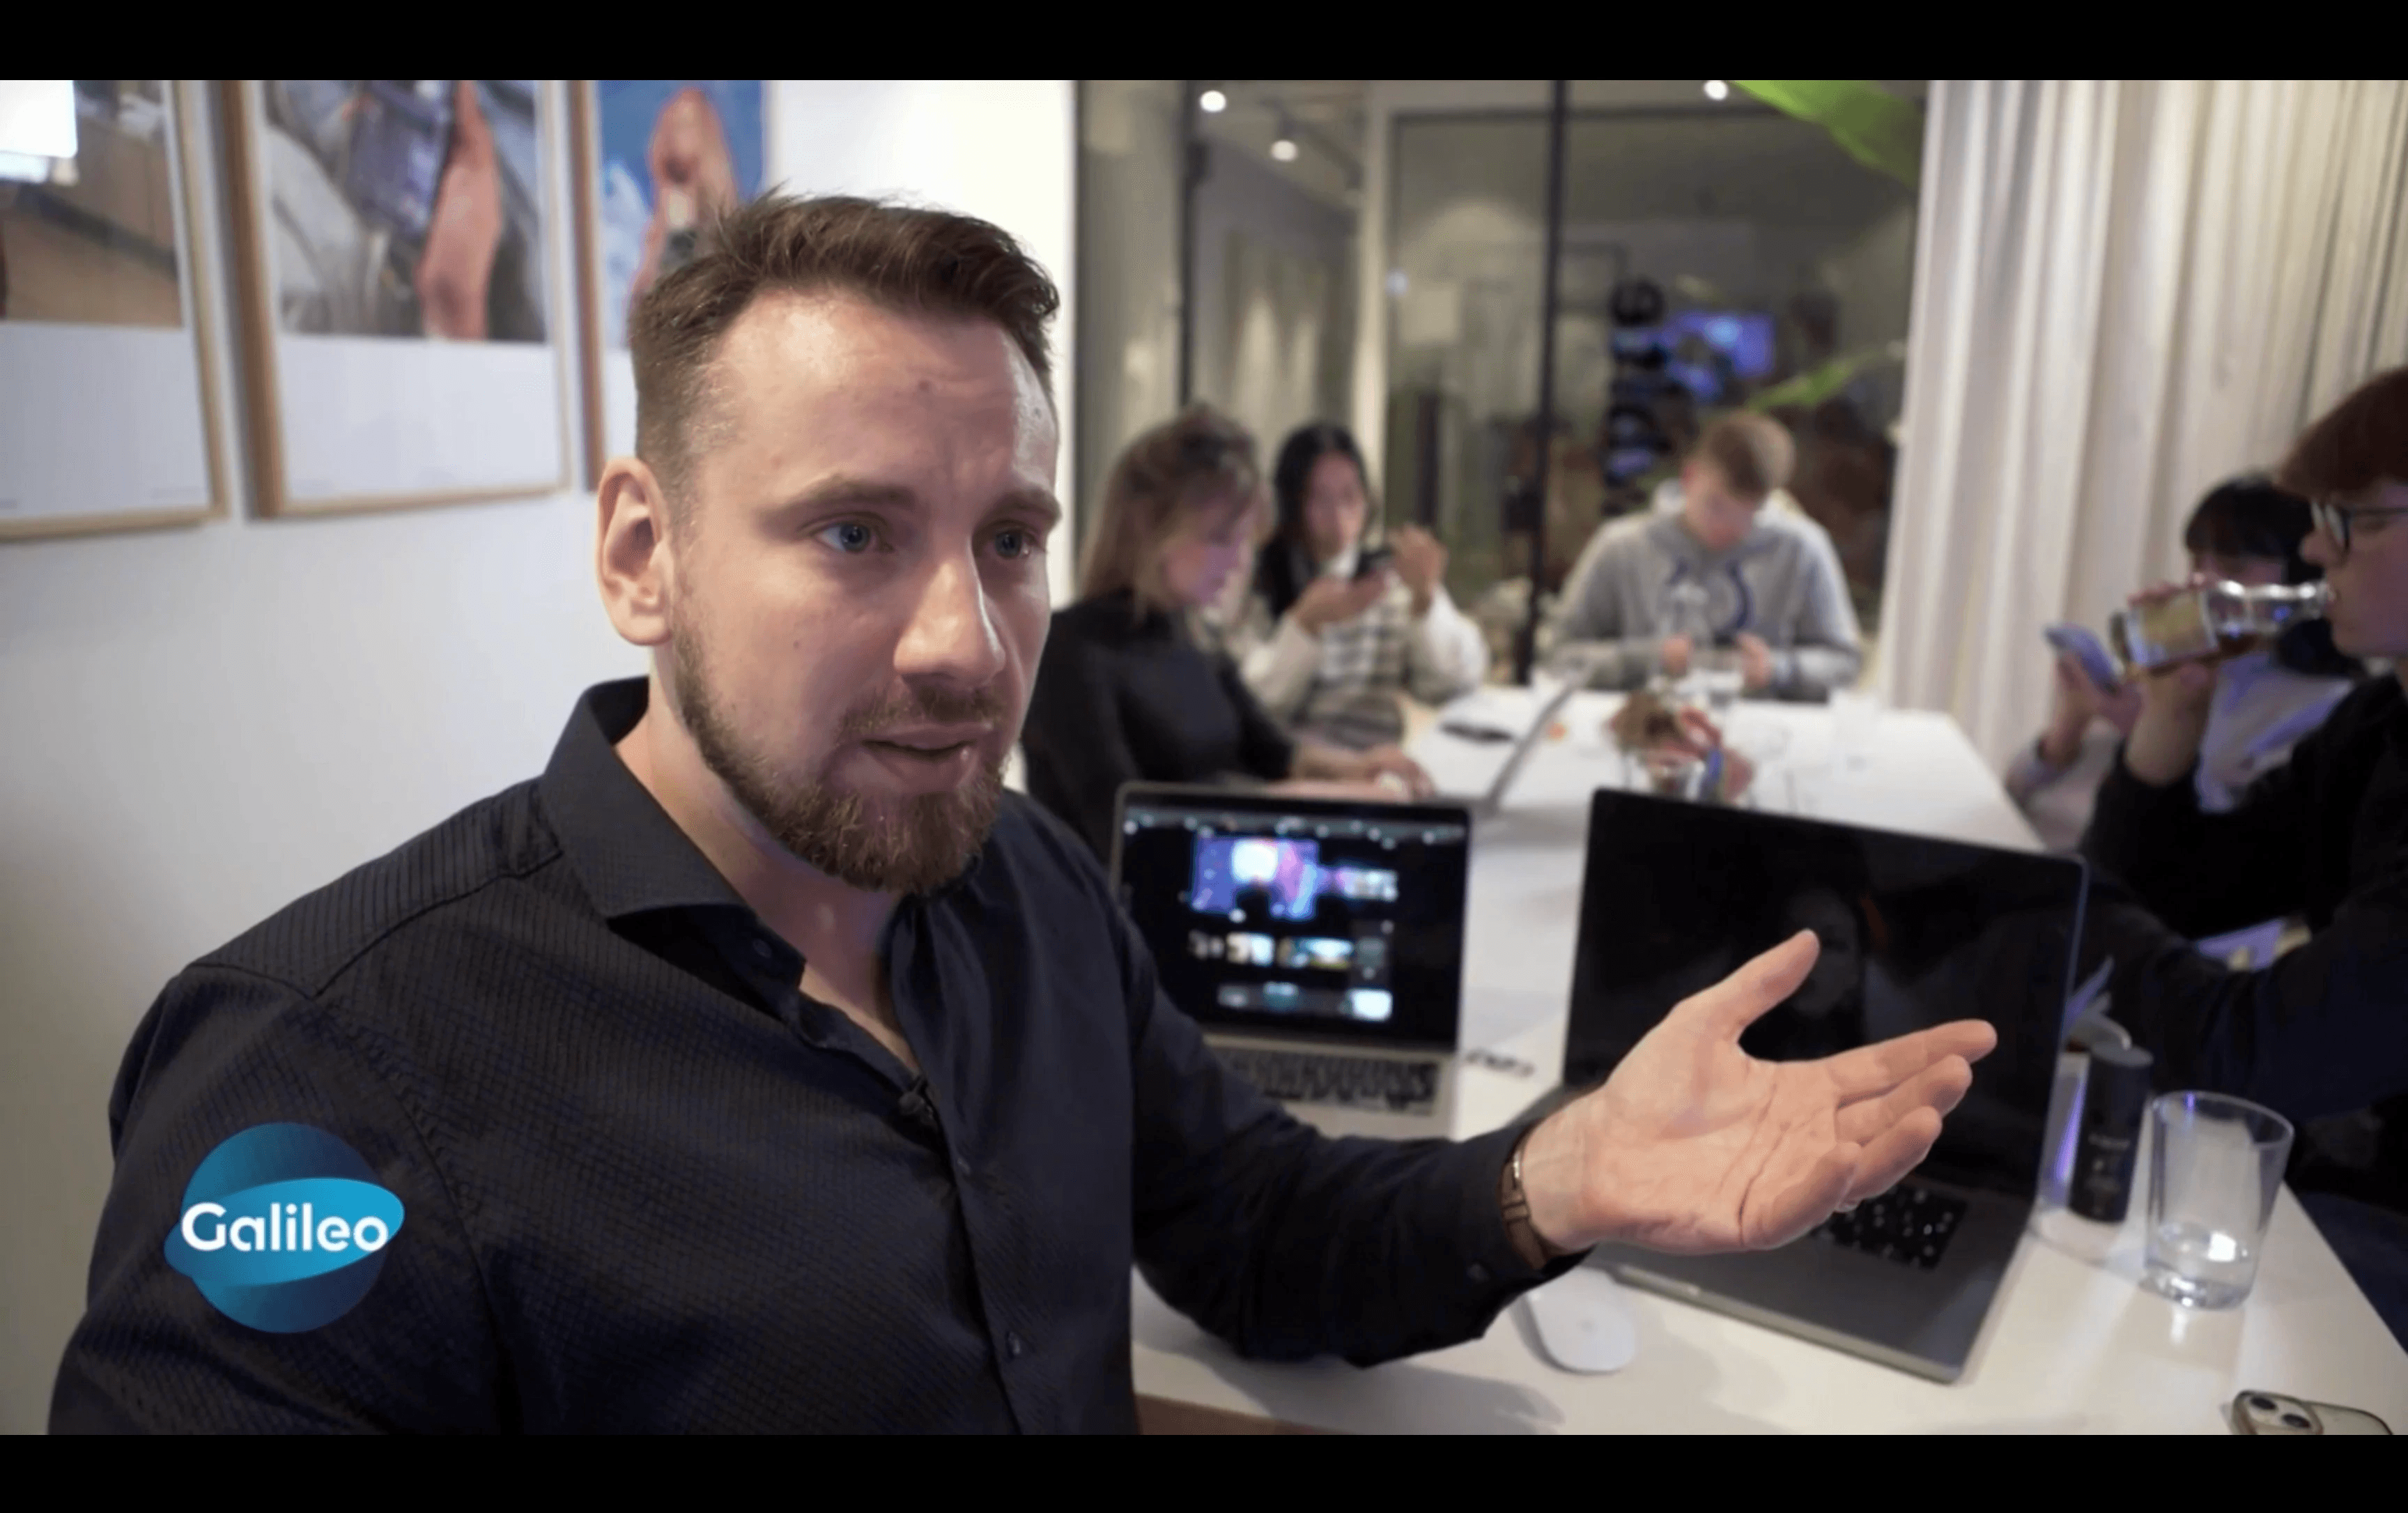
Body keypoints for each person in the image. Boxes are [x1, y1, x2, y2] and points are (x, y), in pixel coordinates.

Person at [51, 195, 1996, 1433]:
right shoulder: (333, 1068)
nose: (964, 644)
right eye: (851, 532)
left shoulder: (1028, 886)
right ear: (643, 554)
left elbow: (1255, 1227)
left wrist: (1562, 1174)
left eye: (1008, 538)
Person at [2078, 367, 2408, 1349]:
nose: (2315, 544)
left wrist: (2066, 904)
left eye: (2352, 518)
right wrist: (2174, 710)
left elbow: (2250, 1051)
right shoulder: (2378, 722)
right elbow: (2180, 891)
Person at [1021, 406, 1437, 865]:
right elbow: (1131, 835)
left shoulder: (1190, 630)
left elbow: (1275, 752)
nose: (1239, 561)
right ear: (1150, 530)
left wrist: (1359, 768)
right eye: (1221, 539)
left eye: (1244, 540)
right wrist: (1322, 800)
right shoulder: (1071, 649)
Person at [2008, 477, 2361, 859]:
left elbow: (2235, 857)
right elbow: (2014, 793)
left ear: (2300, 575)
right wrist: (2067, 728)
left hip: (2134, 894)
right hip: (2049, 860)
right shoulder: (2176, 660)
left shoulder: (2328, 705)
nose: (2202, 581)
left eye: (2234, 567)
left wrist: (2149, 735)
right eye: (2196, 561)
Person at [1545, 410, 1863, 700]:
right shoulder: (1622, 546)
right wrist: (1649, 658)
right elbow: (1557, 656)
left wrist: (1779, 669)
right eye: (1716, 506)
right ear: (1689, 477)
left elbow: (1846, 662)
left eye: (1748, 514)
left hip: (1761, 734)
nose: (1728, 527)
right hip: (1643, 729)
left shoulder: (1801, 547)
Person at [1225, 423, 1488, 753]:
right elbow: (1248, 707)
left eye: (1350, 496)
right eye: (1318, 499)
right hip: (1286, 774)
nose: (1338, 516)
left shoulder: (1389, 584)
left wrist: (1426, 598)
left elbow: (1453, 684)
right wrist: (1305, 624)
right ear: (1290, 503)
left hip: (1371, 773)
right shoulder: (1257, 583)